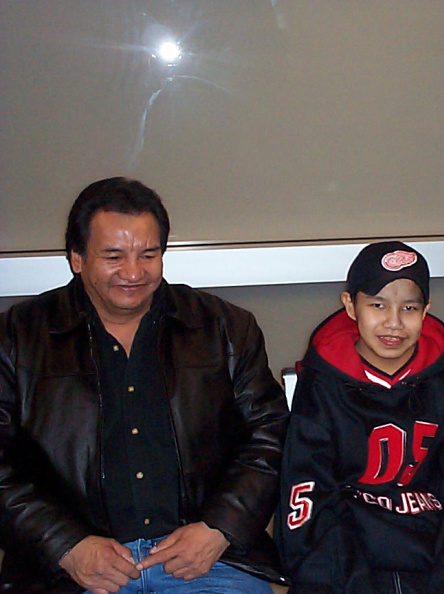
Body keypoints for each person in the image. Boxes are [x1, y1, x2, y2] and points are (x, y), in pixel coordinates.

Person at [0, 177, 290, 593]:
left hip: (206, 561)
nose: (134, 273)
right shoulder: (17, 337)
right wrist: (65, 545)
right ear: (77, 258)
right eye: (114, 256)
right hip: (67, 570)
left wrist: (218, 528)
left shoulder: (225, 328)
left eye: (148, 255)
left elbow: (270, 436)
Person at [276, 241, 444, 593]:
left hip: (441, 563)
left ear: (426, 310)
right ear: (350, 306)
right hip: (350, 567)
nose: (393, 323)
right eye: (377, 305)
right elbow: (308, 503)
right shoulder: (322, 384)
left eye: (409, 307)